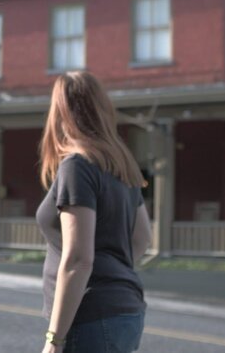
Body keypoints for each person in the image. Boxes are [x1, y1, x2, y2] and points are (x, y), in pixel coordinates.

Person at [36, 71, 153, 353]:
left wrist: (54, 340)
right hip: (126, 310)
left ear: (61, 112)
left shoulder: (77, 166)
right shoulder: (121, 166)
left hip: (90, 314)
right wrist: (114, 271)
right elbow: (142, 239)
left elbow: (78, 259)